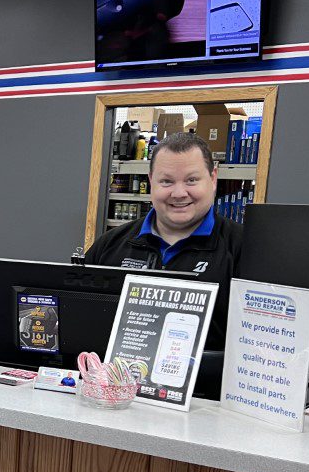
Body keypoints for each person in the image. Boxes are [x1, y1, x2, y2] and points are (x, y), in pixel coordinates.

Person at [84, 131, 243, 371]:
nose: (179, 193)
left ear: (213, 178)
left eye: (191, 180)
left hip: (208, 402)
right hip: (117, 394)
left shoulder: (244, 249)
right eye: (166, 182)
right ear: (151, 182)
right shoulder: (109, 246)